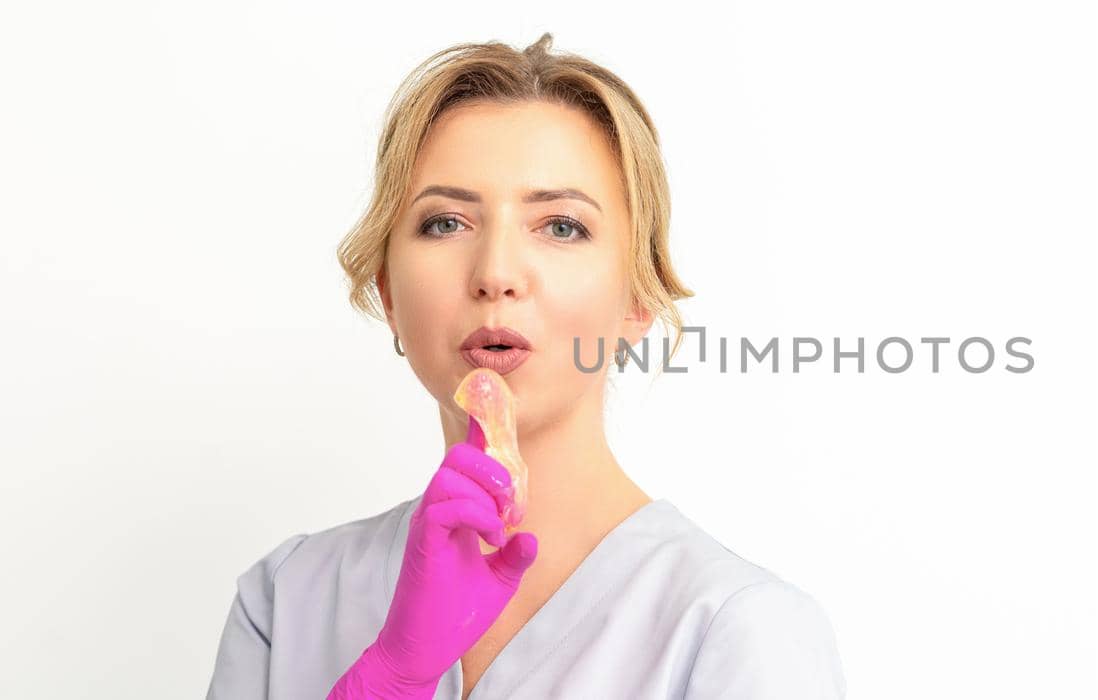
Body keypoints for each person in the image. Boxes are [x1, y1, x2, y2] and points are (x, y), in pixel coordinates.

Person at [204, 34, 847, 699]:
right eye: (446, 223)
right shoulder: (288, 599)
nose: (495, 274)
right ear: (389, 294)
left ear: (636, 298)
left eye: (561, 226)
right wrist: (392, 675)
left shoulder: (739, 631)